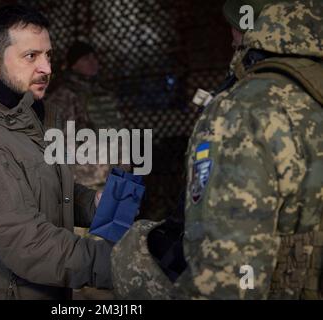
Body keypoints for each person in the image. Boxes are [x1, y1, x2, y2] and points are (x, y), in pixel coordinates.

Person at [111, 0, 323, 299]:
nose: (230, 36)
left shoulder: (243, 111)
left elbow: (230, 282)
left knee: (132, 252)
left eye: (234, 26)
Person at [0, 4, 113, 299]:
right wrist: (123, 262)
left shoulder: (24, 116)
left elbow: (43, 188)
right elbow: (28, 245)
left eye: (48, 55)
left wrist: (95, 204)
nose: (47, 68)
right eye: (31, 56)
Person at [44, 41, 124, 190]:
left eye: (94, 57)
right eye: (86, 58)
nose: (93, 62)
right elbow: (54, 138)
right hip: (87, 179)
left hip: (115, 175)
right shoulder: (63, 96)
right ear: (73, 65)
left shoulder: (104, 92)